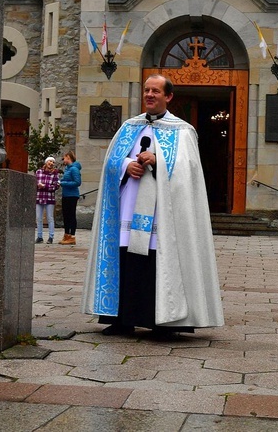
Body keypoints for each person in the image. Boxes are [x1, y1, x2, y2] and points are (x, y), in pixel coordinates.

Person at [82, 74, 224, 337]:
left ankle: (163, 323)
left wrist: (157, 160)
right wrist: (127, 165)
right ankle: (122, 320)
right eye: (146, 90)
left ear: (168, 96)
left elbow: (188, 171)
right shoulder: (128, 127)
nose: (149, 95)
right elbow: (111, 163)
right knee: (127, 261)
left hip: (163, 217)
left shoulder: (182, 131)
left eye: (155, 91)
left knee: (155, 264)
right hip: (128, 207)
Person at [35, 156, 60, 244]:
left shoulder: (55, 173)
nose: (51, 163)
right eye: (50, 161)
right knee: (39, 218)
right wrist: (38, 185)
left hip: (49, 198)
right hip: (39, 197)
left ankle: (51, 237)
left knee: (50, 218)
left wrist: (44, 186)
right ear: (46, 162)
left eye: (53, 162)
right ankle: (39, 236)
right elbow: (35, 182)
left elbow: (56, 186)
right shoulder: (38, 172)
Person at [58, 151, 82, 245]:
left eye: (64, 158)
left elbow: (77, 182)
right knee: (66, 215)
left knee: (71, 215)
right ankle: (66, 234)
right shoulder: (67, 169)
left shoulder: (74, 169)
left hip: (72, 195)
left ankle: (72, 236)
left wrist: (62, 183)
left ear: (68, 157)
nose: (63, 160)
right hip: (66, 194)